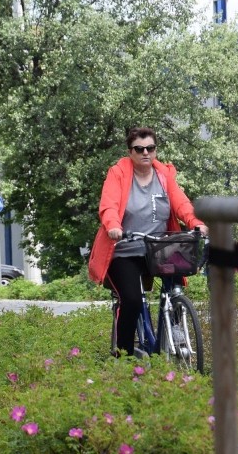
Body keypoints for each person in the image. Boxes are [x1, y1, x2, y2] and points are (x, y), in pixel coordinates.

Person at [88, 127, 208, 357]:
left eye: (150, 148)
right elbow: (109, 204)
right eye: (139, 149)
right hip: (125, 249)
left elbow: (181, 204)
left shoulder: (164, 176)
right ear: (130, 152)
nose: (145, 153)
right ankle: (123, 356)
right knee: (131, 300)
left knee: (174, 286)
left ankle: (175, 327)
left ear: (155, 150)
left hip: (158, 248)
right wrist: (113, 226)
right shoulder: (118, 174)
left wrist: (196, 222)